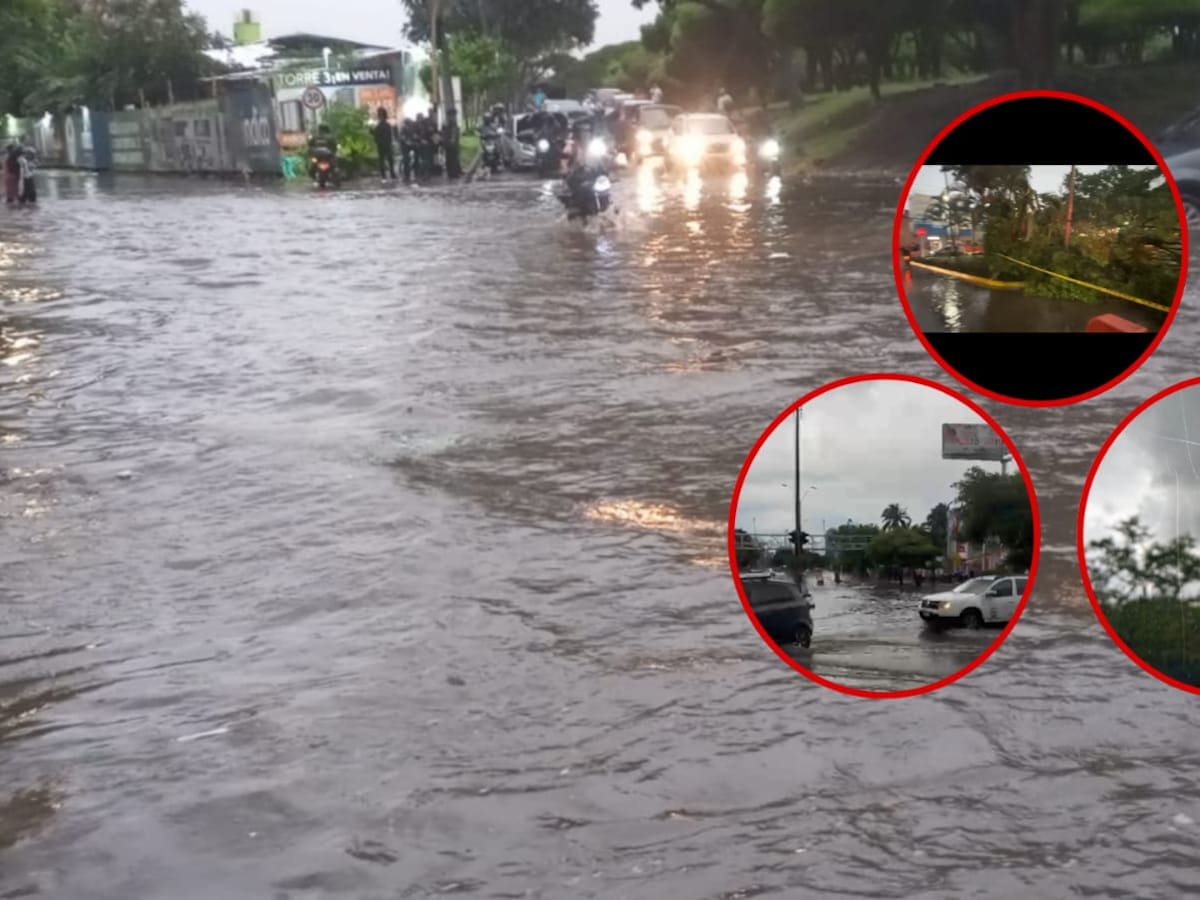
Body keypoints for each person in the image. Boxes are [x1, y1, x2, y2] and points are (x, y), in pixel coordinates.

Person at [373, 107, 396, 181]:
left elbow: (376, 137)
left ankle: (385, 175)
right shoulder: (386, 125)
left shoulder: (379, 126)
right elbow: (389, 136)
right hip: (386, 144)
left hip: (382, 144)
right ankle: (391, 174)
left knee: (383, 160)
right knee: (389, 160)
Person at [442, 111, 462, 179]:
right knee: (451, 159)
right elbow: (452, 133)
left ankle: (453, 173)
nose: (452, 117)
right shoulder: (449, 124)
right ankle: (452, 173)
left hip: (451, 144)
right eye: (451, 115)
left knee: (452, 158)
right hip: (450, 143)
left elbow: (455, 133)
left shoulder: (451, 123)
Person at [399, 117, 417, 183]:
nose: (409, 125)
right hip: (405, 147)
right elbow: (402, 137)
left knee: (409, 160)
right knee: (406, 160)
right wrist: (407, 141)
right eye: (409, 123)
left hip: (409, 146)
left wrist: (412, 141)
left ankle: (409, 175)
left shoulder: (410, 129)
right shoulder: (403, 129)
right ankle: (406, 175)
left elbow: (413, 136)